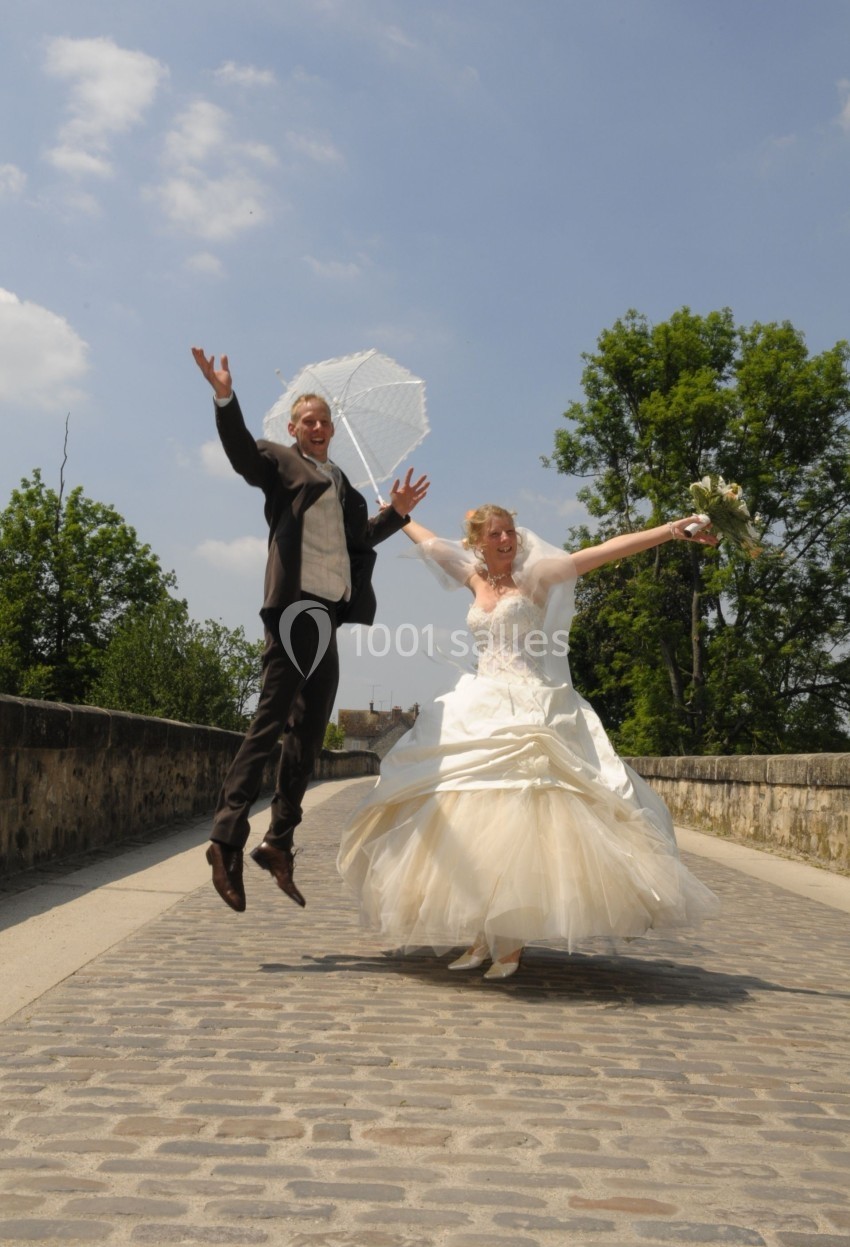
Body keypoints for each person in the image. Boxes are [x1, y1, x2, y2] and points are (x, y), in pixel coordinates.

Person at [337, 505, 720, 979]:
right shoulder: (475, 580)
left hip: (531, 703)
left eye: (510, 532)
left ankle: (511, 944)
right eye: (496, 535)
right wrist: (397, 513)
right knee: (470, 824)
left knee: (520, 816)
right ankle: (482, 936)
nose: (506, 541)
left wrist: (672, 530)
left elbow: (600, 552)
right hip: (481, 702)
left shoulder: (536, 578)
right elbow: (429, 543)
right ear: (479, 542)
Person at [191, 348, 429, 914]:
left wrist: (394, 513)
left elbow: (358, 543)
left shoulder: (342, 482)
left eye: (325, 421)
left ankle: (278, 841)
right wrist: (225, 397)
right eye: (309, 421)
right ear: (294, 429)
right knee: (271, 720)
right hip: (295, 608)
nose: (319, 427)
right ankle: (226, 839)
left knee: (309, 731)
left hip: (326, 614)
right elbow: (240, 454)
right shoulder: (278, 462)